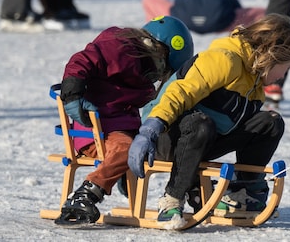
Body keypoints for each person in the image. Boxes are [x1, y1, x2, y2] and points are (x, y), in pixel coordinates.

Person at [127, 13, 290, 229]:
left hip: (204, 141)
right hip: (165, 137)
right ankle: (172, 199)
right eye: (287, 67)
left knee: (270, 123)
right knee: (202, 123)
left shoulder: (255, 85)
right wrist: (149, 130)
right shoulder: (225, 59)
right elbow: (178, 93)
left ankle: (244, 193)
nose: (284, 75)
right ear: (272, 55)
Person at [53, 16, 194, 225]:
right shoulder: (121, 47)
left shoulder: (142, 75)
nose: (158, 75)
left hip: (120, 128)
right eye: (163, 67)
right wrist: (73, 92)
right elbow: (82, 60)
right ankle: (86, 195)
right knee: (128, 148)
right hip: (96, 131)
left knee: (171, 138)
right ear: (157, 49)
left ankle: (192, 189)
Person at [142, 0, 267, 35]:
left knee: (149, 0)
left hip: (183, 21)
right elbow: (235, 4)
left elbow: (150, 0)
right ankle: (239, 42)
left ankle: (154, 35)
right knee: (264, 13)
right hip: (221, 22)